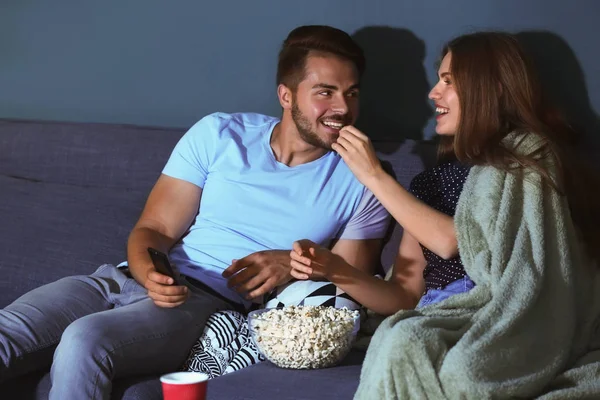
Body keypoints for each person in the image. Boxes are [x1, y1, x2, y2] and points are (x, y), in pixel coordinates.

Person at [0, 25, 390, 399]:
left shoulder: (366, 179)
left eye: (352, 93)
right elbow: (152, 228)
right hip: (119, 279)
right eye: (326, 92)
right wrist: (147, 271)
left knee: (86, 340)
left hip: (200, 305)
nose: (343, 107)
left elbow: (344, 286)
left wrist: (293, 263)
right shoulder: (220, 134)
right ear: (286, 96)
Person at [292, 31, 600, 398]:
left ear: (491, 88)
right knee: (403, 335)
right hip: (438, 316)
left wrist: (373, 175)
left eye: (448, 82)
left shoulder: (527, 159)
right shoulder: (430, 183)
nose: (433, 93)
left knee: (459, 367)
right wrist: (335, 269)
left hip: (498, 313)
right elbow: (405, 295)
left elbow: (452, 242)